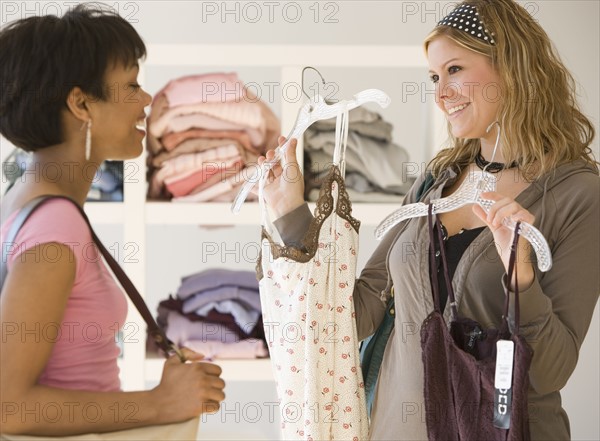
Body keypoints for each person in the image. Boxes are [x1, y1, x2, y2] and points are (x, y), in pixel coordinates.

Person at [257, 0, 599, 439]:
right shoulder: (436, 183)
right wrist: (290, 209)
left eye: (455, 69)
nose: (440, 93)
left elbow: (550, 372)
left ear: (513, 67)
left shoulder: (577, 194)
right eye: (434, 77)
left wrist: (522, 279)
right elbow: (352, 314)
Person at [0, 5, 225, 436]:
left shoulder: (25, 202)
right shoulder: (55, 226)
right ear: (81, 103)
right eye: (132, 86)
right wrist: (158, 403)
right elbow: (10, 406)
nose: (146, 101)